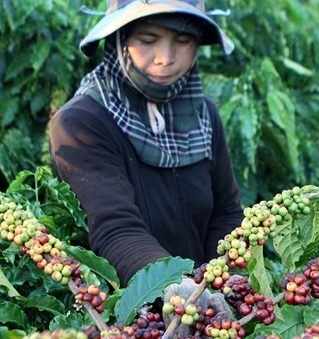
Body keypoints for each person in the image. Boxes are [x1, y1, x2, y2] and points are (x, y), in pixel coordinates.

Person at [49, 0, 244, 287]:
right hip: (125, 312)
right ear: (120, 39)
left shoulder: (204, 115)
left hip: (207, 303)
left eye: (183, 40)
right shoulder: (80, 123)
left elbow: (226, 214)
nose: (165, 57)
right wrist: (180, 291)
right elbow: (116, 230)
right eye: (148, 40)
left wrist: (226, 284)